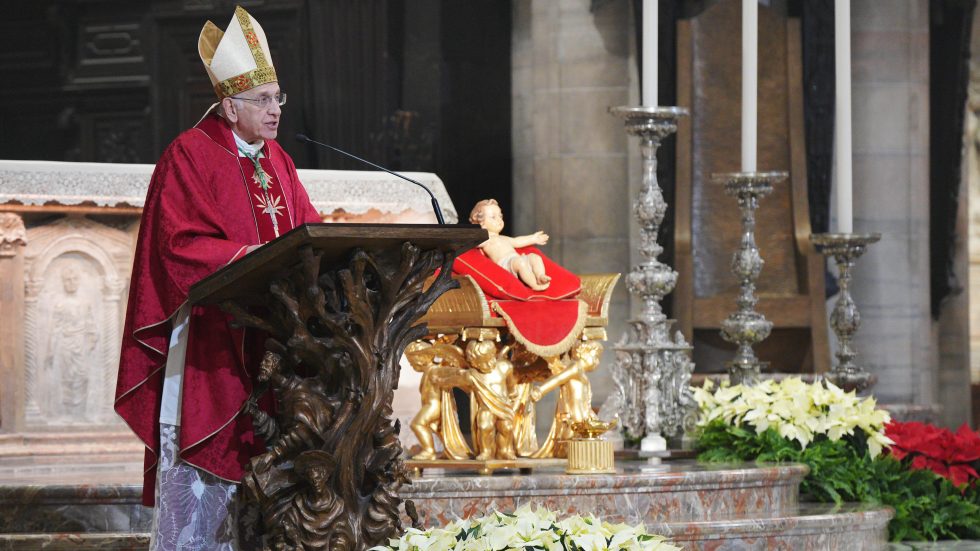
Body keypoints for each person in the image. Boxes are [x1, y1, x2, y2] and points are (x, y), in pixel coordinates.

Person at [113, 6, 322, 550]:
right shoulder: (190, 153)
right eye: (263, 99)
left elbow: (310, 233)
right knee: (211, 471)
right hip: (214, 337)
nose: (275, 110)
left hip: (274, 338)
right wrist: (250, 257)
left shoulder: (279, 161)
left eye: (278, 98)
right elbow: (177, 246)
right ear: (230, 105)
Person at [469, 199, 552, 290]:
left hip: (516, 259)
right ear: (481, 223)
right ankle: (534, 285)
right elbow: (472, 242)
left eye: (500, 216)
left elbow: (517, 241)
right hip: (506, 264)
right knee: (520, 263)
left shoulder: (504, 238)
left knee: (535, 257)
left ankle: (540, 276)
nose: (499, 220)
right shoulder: (486, 239)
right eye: (493, 217)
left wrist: (533, 238)